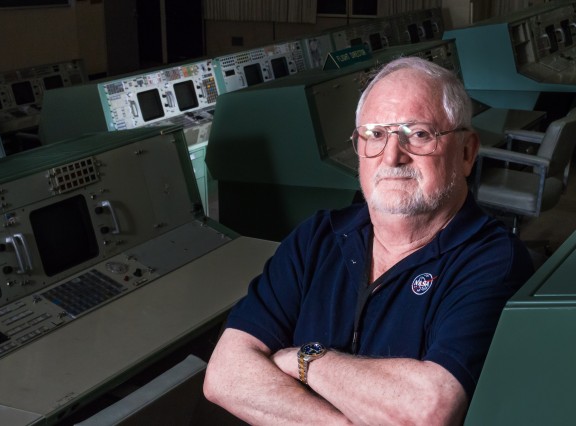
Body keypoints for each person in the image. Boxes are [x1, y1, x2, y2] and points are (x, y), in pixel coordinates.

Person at [203, 56, 535, 425]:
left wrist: (305, 361)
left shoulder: (494, 261)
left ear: (466, 152)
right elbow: (225, 375)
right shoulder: (317, 238)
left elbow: (426, 411)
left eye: (419, 134)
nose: (392, 155)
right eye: (375, 134)